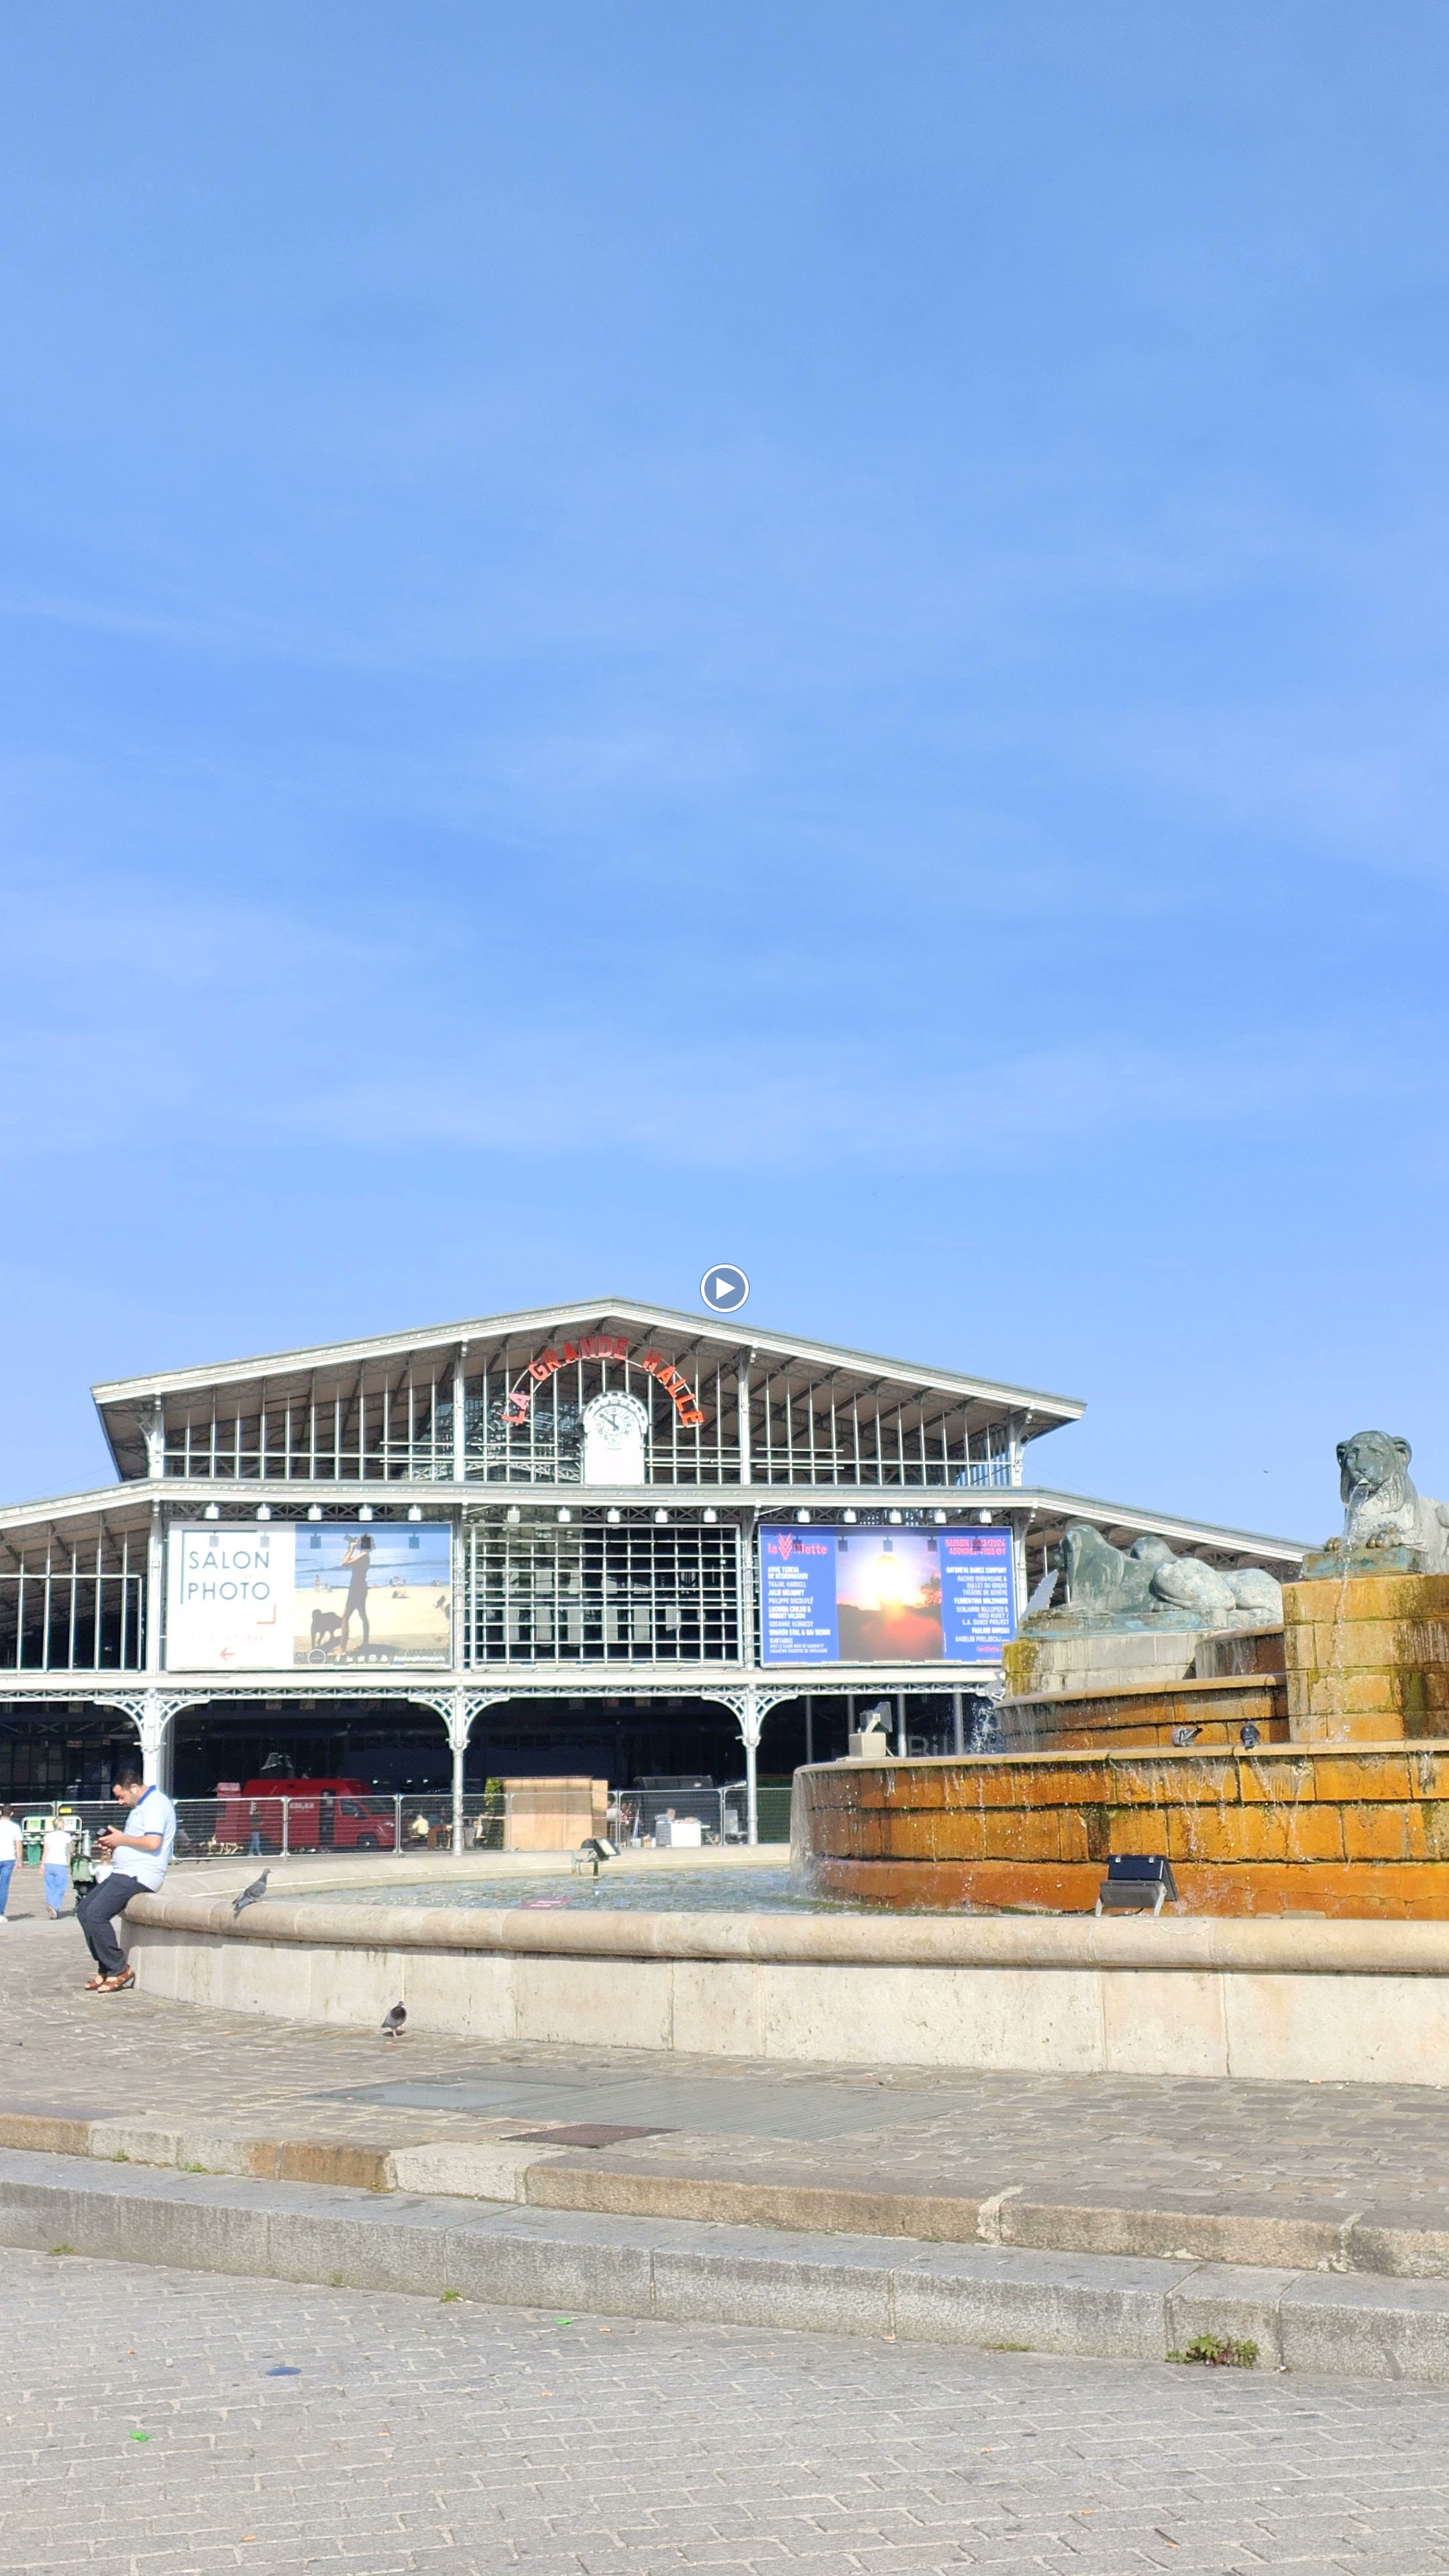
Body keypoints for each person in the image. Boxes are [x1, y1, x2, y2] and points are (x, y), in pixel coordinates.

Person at [74, 1767, 177, 1993]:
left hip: (141, 1874)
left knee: (96, 1914)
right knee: (84, 1910)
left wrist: (121, 1840)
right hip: (125, 1872)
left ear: (134, 1787)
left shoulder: (155, 1804)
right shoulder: (141, 1807)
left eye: (122, 1797)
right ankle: (105, 1967)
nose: (121, 1802)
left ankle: (119, 1969)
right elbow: (136, 1840)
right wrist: (115, 1843)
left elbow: (153, 1843)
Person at [41, 1813, 75, 1917]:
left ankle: (50, 1904)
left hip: (49, 1863)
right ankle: (54, 1905)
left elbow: (45, 1851)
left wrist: (42, 1865)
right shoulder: (66, 1836)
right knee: (62, 1886)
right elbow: (71, 1850)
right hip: (60, 1863)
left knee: (50, 1887)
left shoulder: (48, 1836)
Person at [0, 1803, 21, 1926]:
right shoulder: (15, 1827)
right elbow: (18, 1844)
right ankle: (0, 1913)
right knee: (4, 1886)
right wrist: (19, 1860)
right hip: (9, 1858)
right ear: (12, 1814)